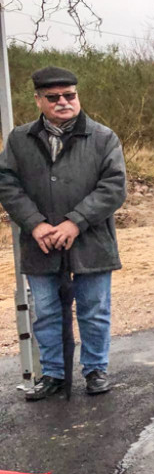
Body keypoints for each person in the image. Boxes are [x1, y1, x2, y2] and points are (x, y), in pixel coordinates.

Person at [0, 67, 126, 400]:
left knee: (94, 310)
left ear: (77, 96)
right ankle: (53, 374)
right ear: (38, 100)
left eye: (69, 95)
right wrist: (35, 223)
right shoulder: (18, 139)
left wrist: (75, 221)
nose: (63, 102)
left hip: (92, 241)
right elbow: (7, 184)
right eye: (53, 97)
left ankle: (96, 370)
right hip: (39, 242)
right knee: (46, 312)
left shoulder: (103, 137)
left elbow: (114, 188)